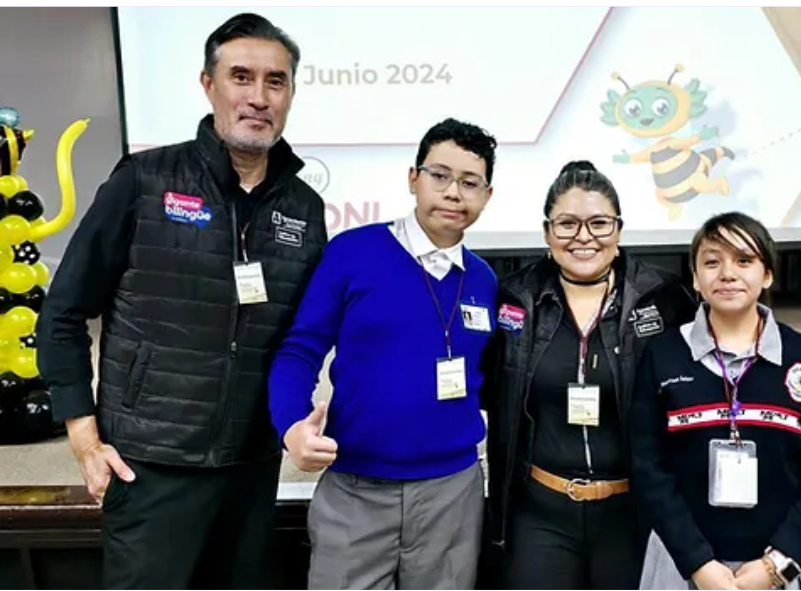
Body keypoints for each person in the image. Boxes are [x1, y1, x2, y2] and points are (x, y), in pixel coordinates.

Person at [36, 13, 327, 589]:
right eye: (241, 77)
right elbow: (63, 312)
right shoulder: (144, 180)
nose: (258, 97)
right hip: (147, 465)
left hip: (250, 469)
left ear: (290, 94)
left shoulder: (304, 208)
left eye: (275, 81)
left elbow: (302, 339)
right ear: (208, 84)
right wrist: (84, 439)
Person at [268, 117, 499, 590]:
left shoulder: (483, 280)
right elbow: (299, 350)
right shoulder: (353, 253)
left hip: (452, 494)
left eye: (469, 182)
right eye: (440, 175)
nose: (453, 192)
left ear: (487, 195)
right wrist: (291, 425)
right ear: (413, 178)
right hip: (357, 490)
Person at [479, 160, 697, 589]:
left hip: (632, 513)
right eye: (567, 224)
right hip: (540, 513)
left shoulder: (662, 298)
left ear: (619, 230)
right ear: (547, 233)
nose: (583, 237)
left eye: (598, 223)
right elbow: (483, 382)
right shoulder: (515, 298)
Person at [630, 212, 801, 590]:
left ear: (768, 274)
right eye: (712, 262)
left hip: (784, 566)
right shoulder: (663, 355)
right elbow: (649, 469)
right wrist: (698, 564)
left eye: (744, 260)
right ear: (695, 278)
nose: (727, 274)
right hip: (685, 567)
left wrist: (777, 564)